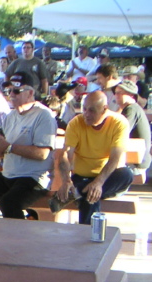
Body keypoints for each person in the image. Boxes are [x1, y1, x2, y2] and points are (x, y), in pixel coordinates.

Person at [0, 71, 57, 219]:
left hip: (33, 178)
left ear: (30, 92)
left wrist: (8, 147)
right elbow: (2, 152)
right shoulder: (10, 116)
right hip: (9, 175)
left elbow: (42, 153)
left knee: (9, 203)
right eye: (9, 90)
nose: (11, 94)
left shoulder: (43, 115)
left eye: (17, 91)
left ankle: (17, 234)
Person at [54, 91, 134, 225]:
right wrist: (66, 180)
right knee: (90, 195)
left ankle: (78, 193)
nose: (86, 114)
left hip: (108, 178)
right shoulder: (76, 123)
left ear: (104, 109)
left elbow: (115, 158)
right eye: (84, 109)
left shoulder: (119, 123)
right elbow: (66, 154)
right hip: (82, 178)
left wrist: (98, 182)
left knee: (126, 174)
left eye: (92, 110)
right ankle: (89, 230)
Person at [115, 79, 152, 180]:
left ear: (131, 95)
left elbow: (120, 133)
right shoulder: (131, 108)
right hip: (134, 159)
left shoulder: (131, 109)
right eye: (116, 92)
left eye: (120, 93)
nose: (116, 95)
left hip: (135, 163)